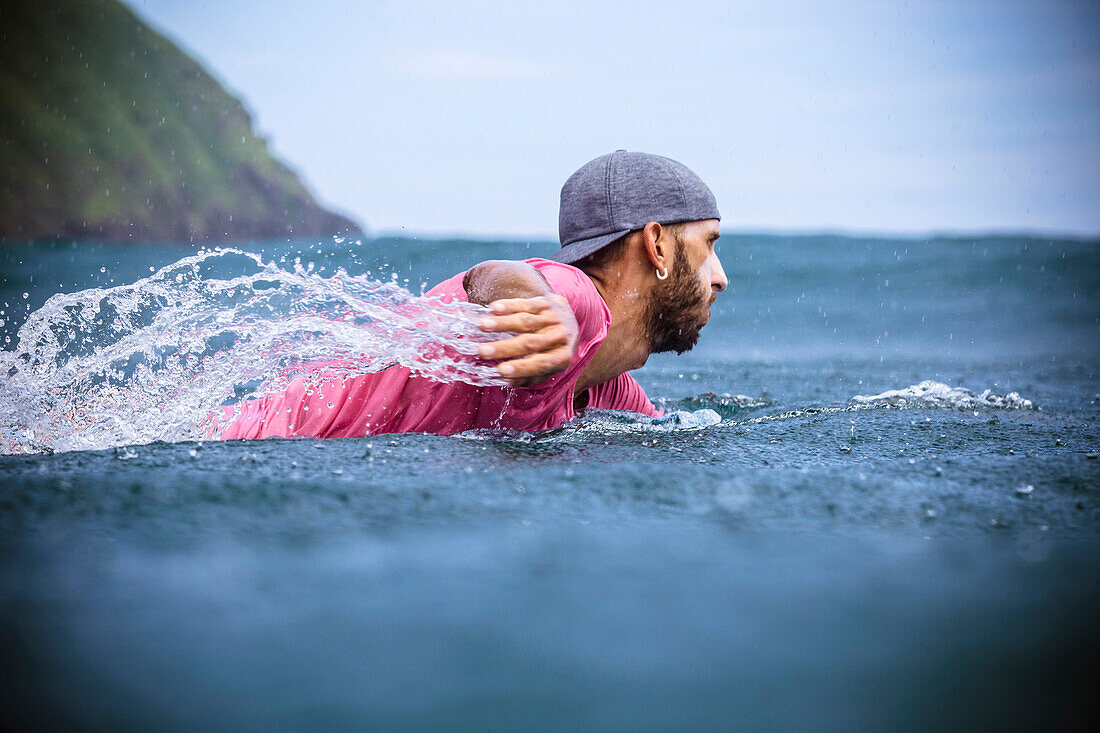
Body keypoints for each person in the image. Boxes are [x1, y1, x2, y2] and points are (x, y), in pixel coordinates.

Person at [212, 150, 727, 440]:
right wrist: (547, 313)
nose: (720, 277)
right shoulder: (576, 306)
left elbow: (662, 430)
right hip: (246, 449)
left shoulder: (606, 382)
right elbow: (491, 276)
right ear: (657, 244)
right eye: (708, 245)